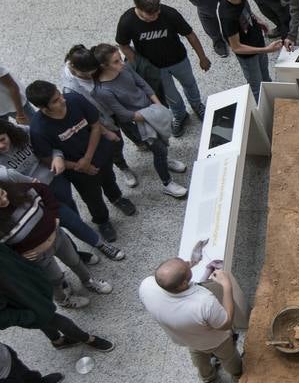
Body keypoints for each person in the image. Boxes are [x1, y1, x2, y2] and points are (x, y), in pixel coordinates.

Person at [0, 119, 126, 261]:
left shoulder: (23, 131)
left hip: (55, 178)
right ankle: (98, 244)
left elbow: (49, 143)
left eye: (2, 139)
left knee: (70, 213)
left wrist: (57, 156)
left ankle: (76, 250)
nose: (1, 146)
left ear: (8, 132)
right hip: (32, 194)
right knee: (64, 220)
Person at [0, 176, 113, 305]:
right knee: (55, 279)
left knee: (75, 261)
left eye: (2, 193)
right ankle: (63, 299)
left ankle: (88, 281)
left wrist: (55, 215)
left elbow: (43, 189)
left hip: (57, 236)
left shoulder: (20, 190)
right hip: (37, 255)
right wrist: (18, 256)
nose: (4, 199)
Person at [0, 237, 113, 351]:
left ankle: (57, 341)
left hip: (37, 296)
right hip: (32, 310)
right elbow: (2, 318)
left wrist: (40, 282)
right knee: (63, 323)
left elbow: (19, 261)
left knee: (45, 324)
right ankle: (87, 339)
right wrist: (32, 315)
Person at [26, 81, 136, 243]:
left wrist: (87, 159)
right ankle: (102, 221)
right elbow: (46, 158)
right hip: (78, 171)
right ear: (43, 108)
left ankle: (117, 198)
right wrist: (80, 166)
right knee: (92, 197)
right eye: (56, 101)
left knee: (109, 179)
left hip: (99, 154)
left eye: (59, 95)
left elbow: (95, 126)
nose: (62, 100)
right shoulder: (38, 129)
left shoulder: (74, 100)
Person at [83, 44, 189, 197]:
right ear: (103, 66)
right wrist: (153, 115)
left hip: (150, 111)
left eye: (120, 59)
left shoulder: (125, 68)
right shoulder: (102, 90)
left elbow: (142, 84)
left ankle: (166, 161)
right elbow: (123, 114)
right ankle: (167, 183)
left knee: (163, 141)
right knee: (158, 149)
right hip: (137, 122)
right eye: (116, 62)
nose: (121, 63)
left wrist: (157, 104)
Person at [115, 0, 209, 136]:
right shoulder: (127, 21)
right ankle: (180, 115)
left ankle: (197, 105)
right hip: (155, 68)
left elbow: (190, 34)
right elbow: (123, 44)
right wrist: (138, 63)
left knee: (190, 84)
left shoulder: (169, 13)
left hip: (179, 60)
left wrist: (202, 57)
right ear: (138, 8)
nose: (155, 16)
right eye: (150, 15)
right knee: (170, 95)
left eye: (157, 12)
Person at [138, 258, 243, 383]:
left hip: (188, 339)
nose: (188, 262)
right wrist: (227, 285)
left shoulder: (146, 286)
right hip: (216, 341)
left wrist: (185, 270)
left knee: (199, 357)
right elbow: (226, 323)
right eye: (186, 265)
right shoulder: (204, 303)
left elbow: (164, 278)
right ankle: (238, 374)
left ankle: (208, 377)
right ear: (183, 284)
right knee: (229, 357)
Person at [61, 46, 139, 189]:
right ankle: (123, 167)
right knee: (116, 143)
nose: (90, 77)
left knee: (133, 129)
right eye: (85, 75)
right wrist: (104, 130)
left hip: (115, 105)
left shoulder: (90, 60)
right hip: (102, 117)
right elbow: (85, 114)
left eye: (93, 73)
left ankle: (140, 143)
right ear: (73, 67)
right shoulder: (70, 90)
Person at [218, 0, 278, 98]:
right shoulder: (228, 16)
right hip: (249, 56)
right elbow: (237, 47)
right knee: (257, 87)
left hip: (258, 43)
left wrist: (257, 19)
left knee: (266, 78)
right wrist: (266, 50)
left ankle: (273, 101)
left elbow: (246, 11)